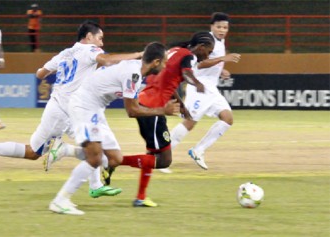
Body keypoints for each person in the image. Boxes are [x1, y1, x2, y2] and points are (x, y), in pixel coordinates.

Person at [0, 20, 144, 198]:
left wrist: (62, 73)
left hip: (67, 107)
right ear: (89, 36)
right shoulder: (90, 50)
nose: (101, 43)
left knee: (94, 146)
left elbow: (40, 73)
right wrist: (136, 55)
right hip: (65, 111)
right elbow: (106, 60)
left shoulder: (64, 53)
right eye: (100, 38)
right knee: (35, 152)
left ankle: (93, 184)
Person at [48, 42, 180, 215]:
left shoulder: (135, 69)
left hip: (95, 108)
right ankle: (60, 200)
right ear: (155, 62)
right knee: (95, 159)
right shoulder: (133, 74)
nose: (164, 66)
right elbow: (132, 111)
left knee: (115, 159)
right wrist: (163, 110)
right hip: (84, 106)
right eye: (163, 62)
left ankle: (66, 150)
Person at [116, 31, 215, 207]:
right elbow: (186, 74)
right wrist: (197, 84)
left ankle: (140, 197)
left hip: (147, 104)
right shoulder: (189, 56)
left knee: (153, 154)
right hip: (154, 109)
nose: (208, 56)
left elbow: (168, 80)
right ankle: (115, 161)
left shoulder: (175, 50)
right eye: (208, 51)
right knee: (164, 160)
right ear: (200, 47)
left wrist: (181, 105)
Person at [166, 12, 241, 172]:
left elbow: (210, 63)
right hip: (199, 86)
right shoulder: (207, 40)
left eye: (225, 27)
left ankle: (198, 150)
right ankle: (163, 155)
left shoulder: (220, 42)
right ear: (211, 27)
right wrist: (222, 59)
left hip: (210, 88)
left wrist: (221, 70)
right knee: (190, 122)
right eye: (219, 26)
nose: (222, 30)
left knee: (227, 118)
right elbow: (199, 64)